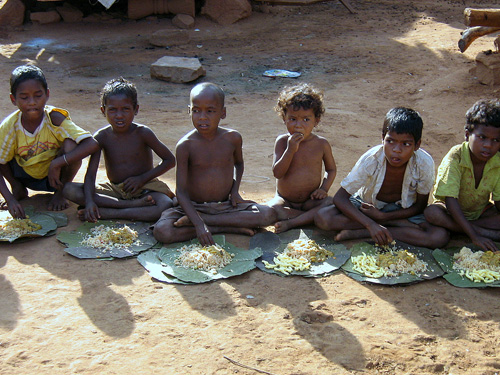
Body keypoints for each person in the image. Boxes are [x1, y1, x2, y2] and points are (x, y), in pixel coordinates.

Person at [152, 82, 276, 246]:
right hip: (194, 207)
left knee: (269, 215)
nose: (202, 117)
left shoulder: (233, 138)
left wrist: (235, 190)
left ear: (222, 113)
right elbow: (180, 192)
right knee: (163, 231)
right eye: (196, 110)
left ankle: (207, 222)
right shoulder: (185, 146)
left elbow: (239, 164)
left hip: (226, 206)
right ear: (189, 111)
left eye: (210, 111)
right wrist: (198, 222)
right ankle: (221, 227)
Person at [315, 107, 448, 248]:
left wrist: (383, 217)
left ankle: (363, 232)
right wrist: (371, 223)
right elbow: (340, 198)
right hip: (367, 207)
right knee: (323, 218)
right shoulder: (372, 159)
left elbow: (420, 206)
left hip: (402, 212)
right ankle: (380, 228)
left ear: (417, 145)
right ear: (383, 138)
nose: (397, 149)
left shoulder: (423, 163)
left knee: (439, 237)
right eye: (390, 141)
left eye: (406, 144)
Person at [63, 77, 176, 222]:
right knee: (69, 190)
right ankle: (131, 206)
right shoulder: (101, 137)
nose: (119, 116)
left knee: (165, 205)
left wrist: (141, 179)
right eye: (113, 110)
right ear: (103, 111)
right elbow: (91, 174)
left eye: (125, 109)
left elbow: (169, 160)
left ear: (136, 109)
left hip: (144, 187)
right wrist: (90, 201)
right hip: (116, 190)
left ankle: (109, 213)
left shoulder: (143, 133)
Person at [0, 64, 99, 217]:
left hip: (55, 178)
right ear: (13, 99)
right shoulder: (10, 126)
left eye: (38, 95)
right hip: (23, 174)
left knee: (71, 144)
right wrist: (10, 198)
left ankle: (61, 192)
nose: (32, 102)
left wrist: (57, 163)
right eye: (24, 97)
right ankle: (18, 188)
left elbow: (91, 143)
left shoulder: (55, 118)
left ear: (47, 94)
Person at [424, 99, 500, 251]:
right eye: (482, 137)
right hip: (449, 212)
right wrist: (475, 236)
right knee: (432, 212)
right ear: (467, 135)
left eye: (496, 140)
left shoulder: (497, 161)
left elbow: (498, 202)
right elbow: (450, 201)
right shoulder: (456, 157)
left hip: (480, 213)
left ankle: (460, 229)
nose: (488, 145)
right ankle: (472, 230)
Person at [267, 83, 336, 233]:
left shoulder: (321, 144)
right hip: (285, 200)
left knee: (330, 203)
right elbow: (278, 173)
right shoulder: (282, 142)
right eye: (292, 119)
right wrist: (290, 150)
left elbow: (331, 170)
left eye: (306, 120)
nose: (298, 125)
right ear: (284, 118)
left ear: (316, 120)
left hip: (310, 201)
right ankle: (307, 218)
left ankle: (292, 222)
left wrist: (324, 189)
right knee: (270, 209)